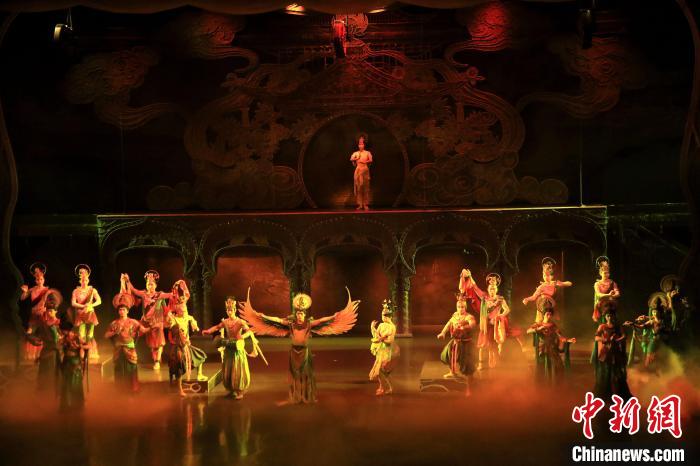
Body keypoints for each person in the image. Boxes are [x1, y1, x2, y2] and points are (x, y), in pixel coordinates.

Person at [240, 287, 359, 404]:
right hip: (294, 353)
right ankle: (295, 396)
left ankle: (306, 396)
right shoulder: (290, 325)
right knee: (295, 375)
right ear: (296, 315)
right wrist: (262, 317)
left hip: (304, 353)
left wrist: (335, 316)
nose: (299, 315)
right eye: (298, 313)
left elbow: (322, 321)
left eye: (301, 314)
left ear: (304, 315)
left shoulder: (309, 324)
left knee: (305, 374)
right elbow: (277, 320)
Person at [202, 296, 261, 399]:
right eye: (228, 310)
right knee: (229, 368)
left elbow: (250, 331)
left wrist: (242, 337)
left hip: (237, 349)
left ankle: (239, 391)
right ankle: (232, 390)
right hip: (229, 348)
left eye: (231, 310)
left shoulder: (240, 322)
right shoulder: (225, 322)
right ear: (226, 311)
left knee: (237, 369)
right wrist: (208, 331)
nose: (229, 312)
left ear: (234, 310)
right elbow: (217, 327)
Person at [121, 270, 173, 370]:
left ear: (155, 285)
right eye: (148, 284)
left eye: (152, 284)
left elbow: (170, 296)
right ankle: (129, 354)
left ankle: (157, 361)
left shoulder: (160, 295)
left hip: (157, 323)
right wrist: (127, 281)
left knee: (159, 343)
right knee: (151, 344)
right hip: (146, 322)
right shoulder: (144, 294)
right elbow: (133, 290)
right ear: (146, 285)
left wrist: (177, 289)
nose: (150, 286)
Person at [166, 282, 207, 396]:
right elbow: (170, 324)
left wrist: (195, 325)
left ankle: (199, 374)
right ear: (178, 310)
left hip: (187, 345)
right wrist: (169, 319)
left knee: (200, 355)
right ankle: (180, 388)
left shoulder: (187, 317)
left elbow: (193, 323)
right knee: (179, 365)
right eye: (182, 310)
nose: (184, 312)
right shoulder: (175, 319)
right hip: (178, 347)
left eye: (185, 310)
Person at [105, 293, 150, 393]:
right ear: (118, 311)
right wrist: (114, 332)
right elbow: (106, 335)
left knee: (131, 370)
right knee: (119, 370)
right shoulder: (114, 323)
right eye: (120, 310)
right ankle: (120, 389)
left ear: (127, 311)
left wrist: (152, 326)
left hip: (130, 350)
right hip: (119, 350)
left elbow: (143, 330)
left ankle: (132, 389)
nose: (122, 311)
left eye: (124, 310)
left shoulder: (133, 322)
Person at [526, 300, 576, 383]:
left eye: (550, 314)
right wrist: (538, 329)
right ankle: (543, 381)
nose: (549, 316)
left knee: (558, 364)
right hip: (543, 348)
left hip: (552, 347)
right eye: (547, 314)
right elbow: (528, 331)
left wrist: (568, 340)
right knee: (545, 362)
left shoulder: (553, 325)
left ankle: (555, 382)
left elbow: (560, 336)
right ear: (544, 315)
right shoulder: (538, 324)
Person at [593, 299, 632, 400]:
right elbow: (596, 337)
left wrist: (616, 340)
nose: (609, 317)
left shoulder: (618, 327)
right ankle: (604, 395)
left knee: (617, 374)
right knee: (606, 374)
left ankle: (619, 395)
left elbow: (624, 336)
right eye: (608, 316)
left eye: (611, 315)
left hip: (616, 353)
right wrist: (605, 340)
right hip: (605, 353)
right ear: (605, 317)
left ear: (614, 316)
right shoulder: (602, 326)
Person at [437, 298, 477, 396]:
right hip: (455, 342)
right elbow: (448, 324)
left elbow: (472, 324)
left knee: (467, 365)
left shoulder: (469, 317)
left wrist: (465, 327)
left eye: (462, 307)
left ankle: (469, 388)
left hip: (465, 343)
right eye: (459, 307)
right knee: (447, 355)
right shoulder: (455, 316)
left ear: (465, 307)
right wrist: (443, 333)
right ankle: (452, 372)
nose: (460, 309)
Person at [26, 289, 62, 393]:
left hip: (56, 352)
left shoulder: (59, 323)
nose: (49, 312)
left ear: (56, 311)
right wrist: (32, 338)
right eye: (48, 311)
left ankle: (55, 391)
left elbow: (65, 336)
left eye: (51, 311)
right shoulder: (42, 323)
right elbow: (33, 335)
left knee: (55, 373)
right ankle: (43, 392)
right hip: (45, 351)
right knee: (44, 373)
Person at [590, 256, 621, 365]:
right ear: (600, 273)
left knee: (613, 328)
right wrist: (609, 294)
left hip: (611, 307)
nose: (606, 274)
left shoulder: (613, 283)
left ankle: (613, 352)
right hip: (602, 308)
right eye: (604, 272)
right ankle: (600, 353)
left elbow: (618, 293)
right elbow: (599, 294)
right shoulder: (597, 284)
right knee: (603, 329)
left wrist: (614, 294)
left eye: (608, 272)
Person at [522, 257, 572, 323]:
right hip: (541, 304)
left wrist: (564, 283)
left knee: (547, 319)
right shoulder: (541, 286)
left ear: (552, 276)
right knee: (539, 321)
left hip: (549, 304)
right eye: (544, 275)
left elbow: (568, 283)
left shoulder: (554, 283)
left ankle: (546, 322)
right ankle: (542, 324)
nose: (546, 277)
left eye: (548, 275)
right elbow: (534, 297)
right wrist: (526, 299)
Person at [20, 262, 51, 361]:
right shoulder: (32, 289)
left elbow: (51, 302)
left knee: (43, 334)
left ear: (44, 279)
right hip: (33, 314)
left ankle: (41, 354)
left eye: (41, 279)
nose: (40, 281)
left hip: (42, 314)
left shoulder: (47, 290)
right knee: (29, 333)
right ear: (35, 280)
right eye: (38, 279)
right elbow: (22, 298)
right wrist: (25, 292)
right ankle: (28, 354)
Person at [70, 264, 101, 360]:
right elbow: (73, 303)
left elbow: (99, 301)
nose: (84, 281)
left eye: (86, 280)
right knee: (81, 335)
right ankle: (82, 353)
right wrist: (83, 306)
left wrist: (91, 305)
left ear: (88, 280)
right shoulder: (76, 291)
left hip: (90, 314)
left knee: (90, 335)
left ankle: (91, 353)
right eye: (83, 280)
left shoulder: (92, 290)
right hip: (80, 314)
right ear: (80, 280)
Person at [369, 300, 399, 396]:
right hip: (380, 351)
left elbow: (390, 341)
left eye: (384, 315)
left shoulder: (392, 327)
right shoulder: (381, 325)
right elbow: (376, 336)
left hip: (386, 351)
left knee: (380, 370)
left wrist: (382, 339)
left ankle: (382, 387)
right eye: (382, 315)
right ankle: (387, 387)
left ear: (388, 316)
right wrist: (372, 328)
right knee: (381, 371)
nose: (383, 317)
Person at [349, 134, 373, 211]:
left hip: (365, 169)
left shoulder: (367, 152)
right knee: (359, 187)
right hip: (358, 169)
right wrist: (356, 159)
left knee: (365, 187)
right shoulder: (356, 153)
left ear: (364, 145)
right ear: (358, 145)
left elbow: (371, 160)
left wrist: (365, 161)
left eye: (362, 144)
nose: (361, 145)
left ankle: (365, 204)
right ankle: (360, 204)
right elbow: (351, 159)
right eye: (359, 144)